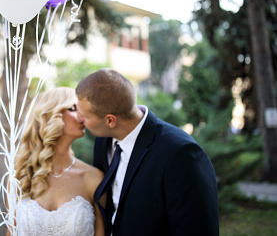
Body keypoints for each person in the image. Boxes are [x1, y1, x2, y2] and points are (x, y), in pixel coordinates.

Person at [75, 68, 219, 236]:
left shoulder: (181, 154)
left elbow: (197, 230)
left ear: (110, 120)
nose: (78, 118)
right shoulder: (103, 139)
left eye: (84, 115)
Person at [9, 87, 105, 236]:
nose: (83, 116)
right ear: (50, 115)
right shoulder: (20, 176)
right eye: (73, 109)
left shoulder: (93, 178)